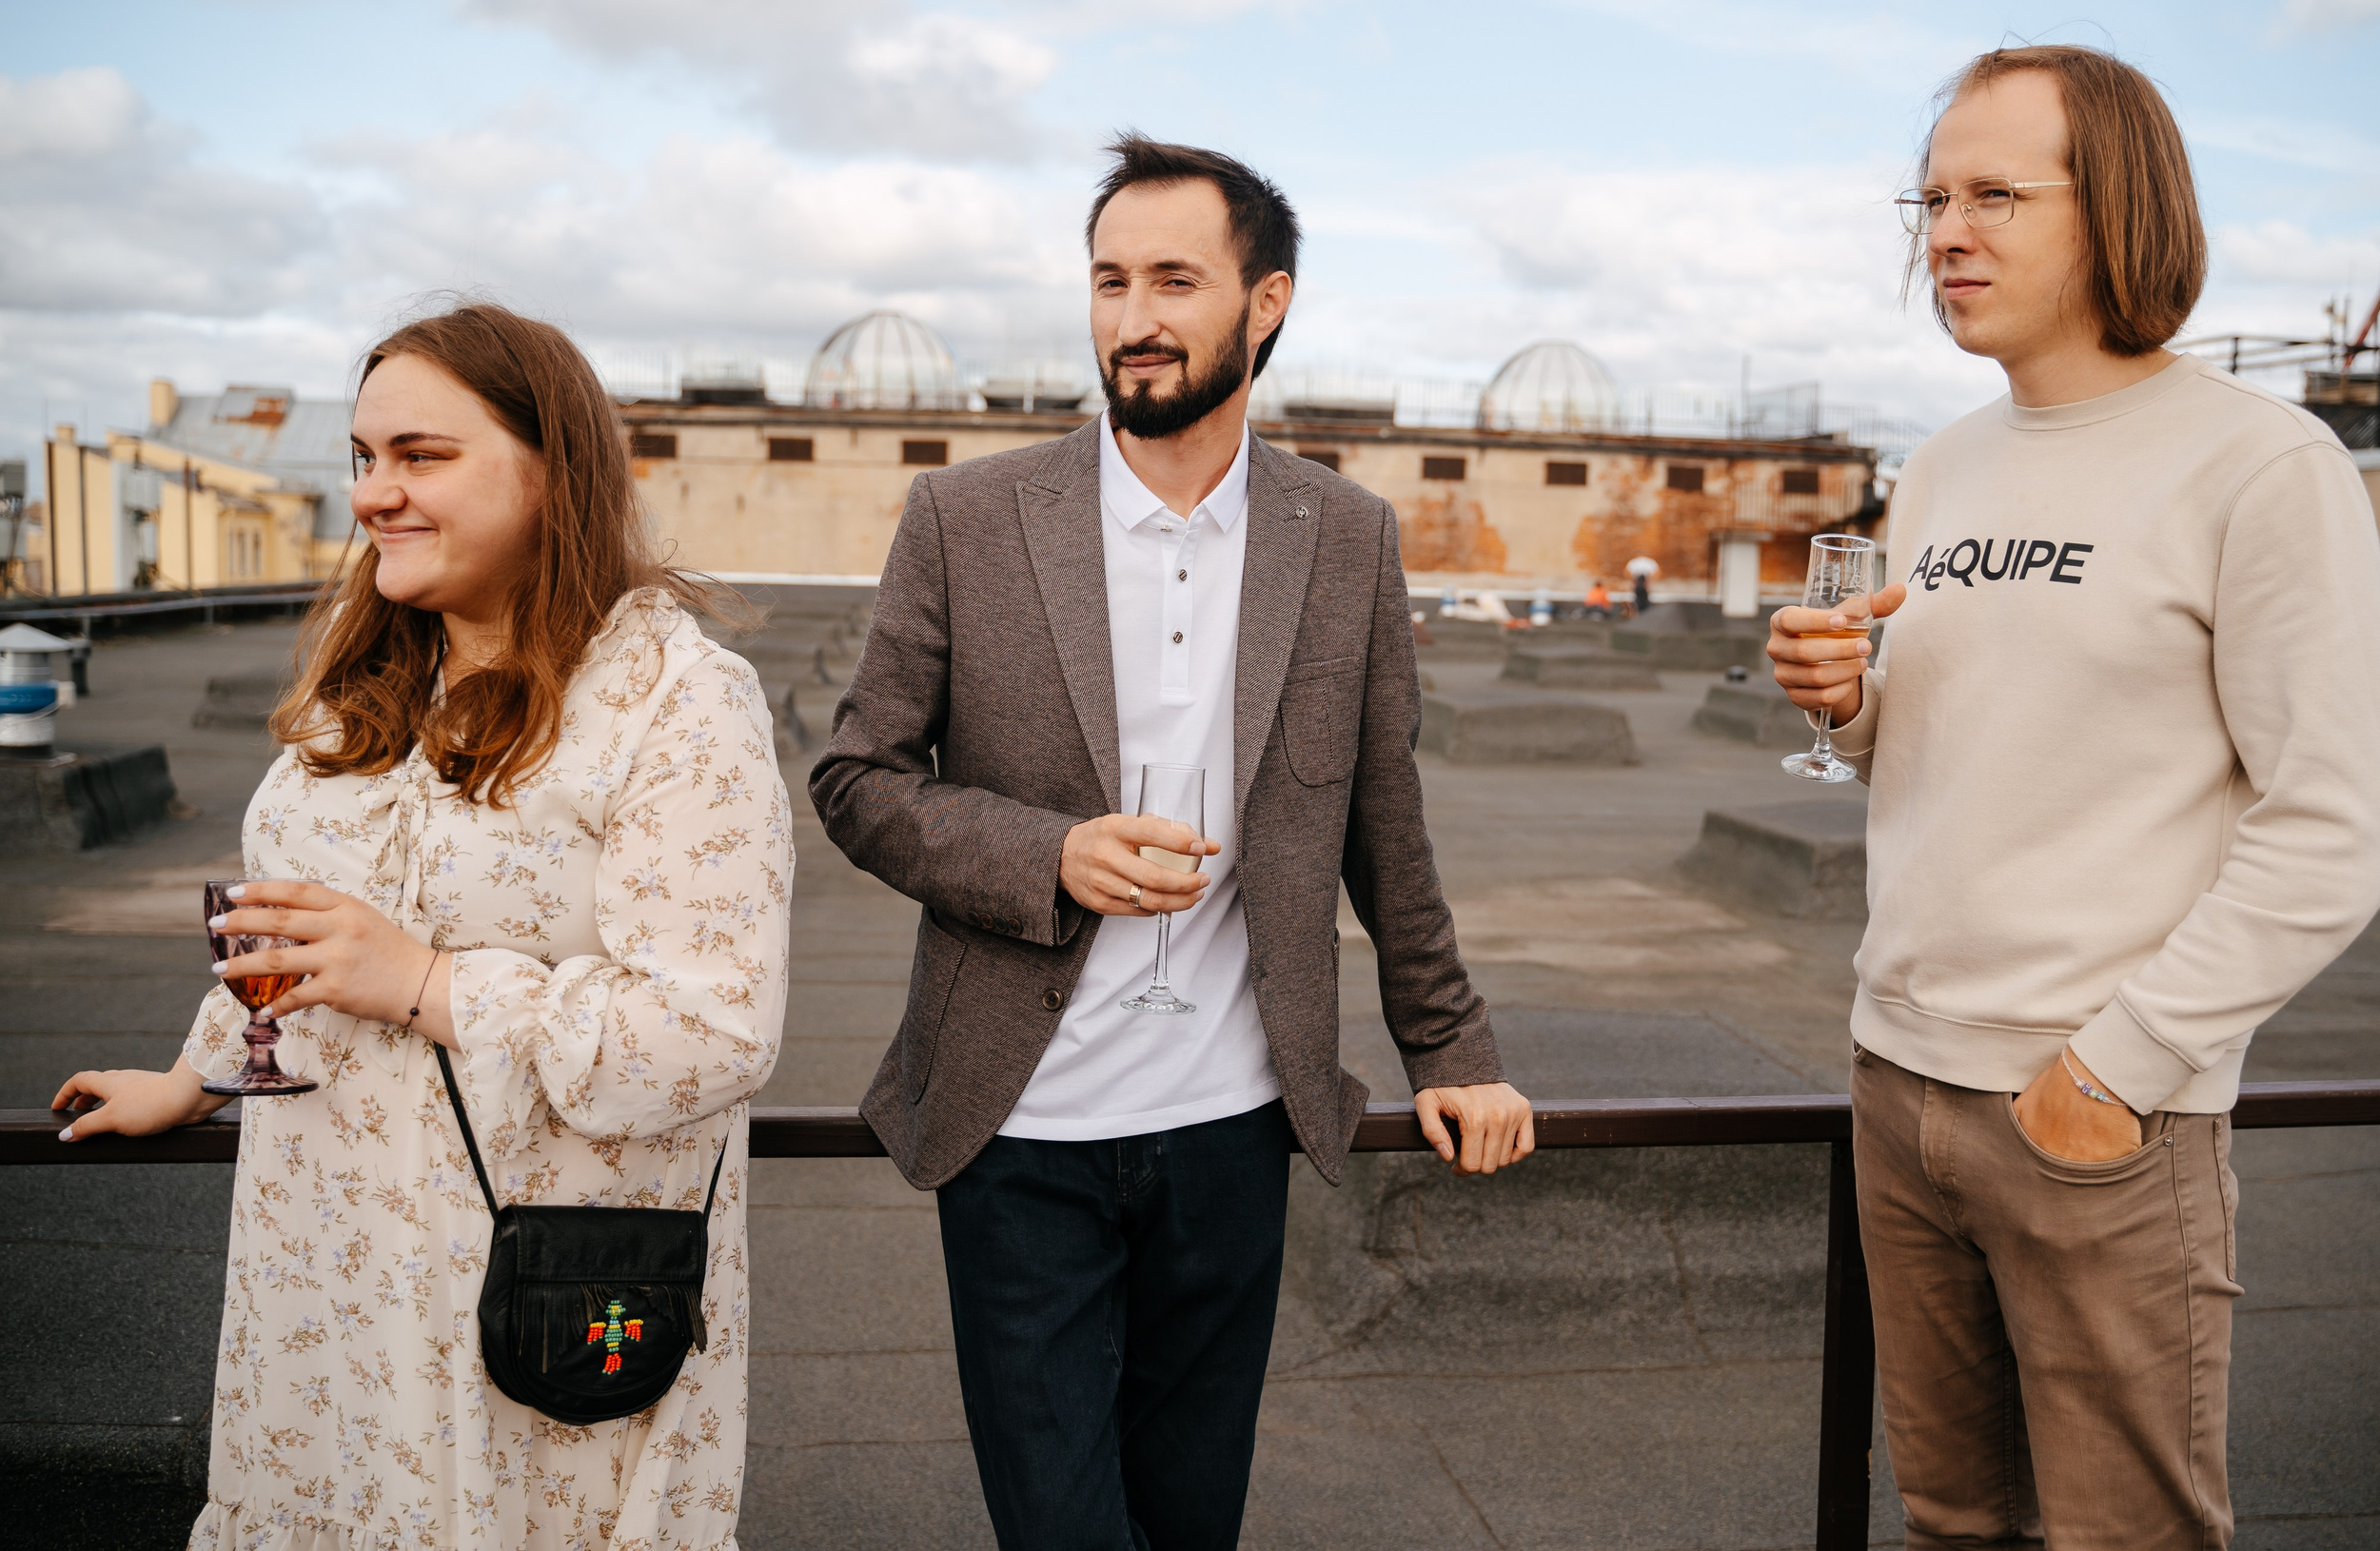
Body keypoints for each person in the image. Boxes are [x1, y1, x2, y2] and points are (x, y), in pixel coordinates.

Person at [811, 135, 1535, 1549]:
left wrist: (1453, 1054)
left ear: (1264, 304)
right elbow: (856, 778)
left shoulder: (1348, 536)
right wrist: (1048, 855)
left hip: (1231, 1132)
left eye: (1173, 280)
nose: (1132, 317)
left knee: (1192, 1522)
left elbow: (1385, 822)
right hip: (1019, 1132)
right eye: (1108, 280)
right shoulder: (966, 516)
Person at [1766, 46, 2380, 1547]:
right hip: (1896, 1080)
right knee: (1952, 1521)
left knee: (2129, 1534)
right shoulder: (1944, 464)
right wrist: (1846, 698)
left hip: (2095, 1112)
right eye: (1928, 199)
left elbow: (2334, 821)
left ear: (2117, 205)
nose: (1947, 234)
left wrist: (2121, 1064)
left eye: (1995, 193)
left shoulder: (2263, 464)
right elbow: (1944, 744)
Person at [53, 302, 793, 1550]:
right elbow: (294, 938)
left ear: (554, 463)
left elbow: (711, 1033)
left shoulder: (673, 700)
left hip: (532, 1298)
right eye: (362, 457)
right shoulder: (362, 698)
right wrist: (193, 1076)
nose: (375, 493)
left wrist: (424, 981)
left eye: (420, 455)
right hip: (331, 1290)